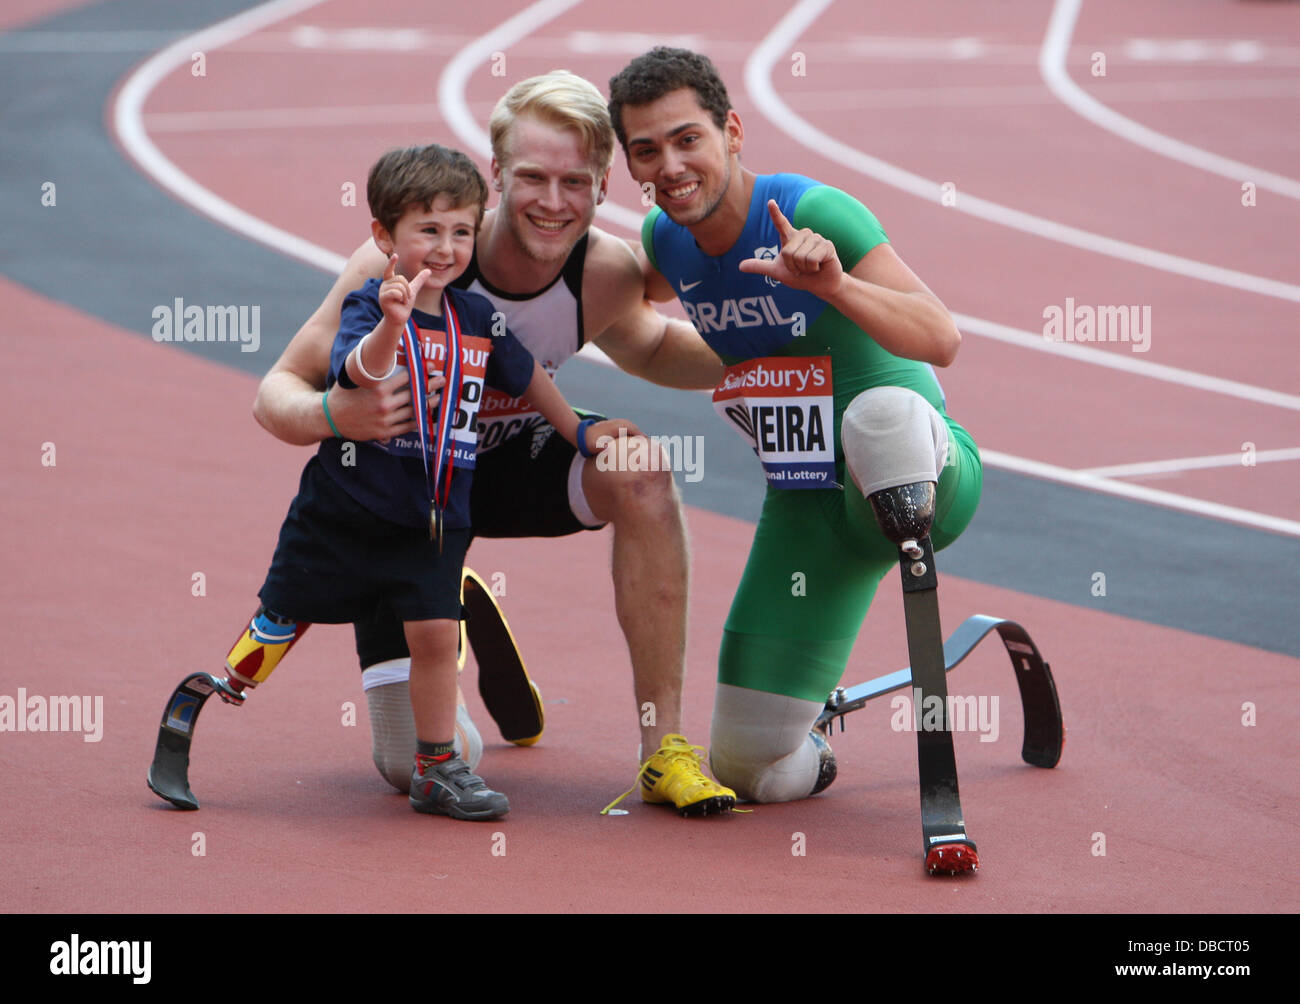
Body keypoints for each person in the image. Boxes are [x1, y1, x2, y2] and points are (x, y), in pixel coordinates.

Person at [252, 72, 737, 816]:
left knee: (641, 470)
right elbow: (275, 395)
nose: (552, 201)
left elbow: (658, 349)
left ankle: (663, 749)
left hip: (507, 467)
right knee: (410, 766)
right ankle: (449, 596)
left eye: (574, 181)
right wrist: (333, 414)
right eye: (532, 178)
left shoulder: (604, 273)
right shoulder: (415, 263)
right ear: (497, 176)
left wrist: (781, 334)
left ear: (603, 184)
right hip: (403, 507)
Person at [607, 48, 983, 802]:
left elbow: (941, 336)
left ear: (732, 131)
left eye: (688, 139)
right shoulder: (663, 240)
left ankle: (905, 543)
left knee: (878, 418)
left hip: (918, 466)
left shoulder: (811, 212)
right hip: (809, 508)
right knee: (752, 774)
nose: (671, 165)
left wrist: (836, 286)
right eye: (646, 150)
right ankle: (814, 735)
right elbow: (654, 339)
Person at [225, 142, 636, 820]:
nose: (446, 249)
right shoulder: (369, 306)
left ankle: (437, 766)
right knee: (284, 613)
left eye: (462, 232)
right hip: (353, 513)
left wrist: (579, 432)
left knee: (435, 645)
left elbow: (526, 375)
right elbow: (359, 369)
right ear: (384, 237)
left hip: (436, 517)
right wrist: (390, 322)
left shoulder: (475, 319)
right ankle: (227, 683)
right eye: (428, 231)